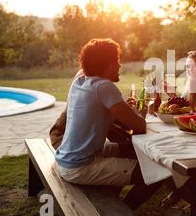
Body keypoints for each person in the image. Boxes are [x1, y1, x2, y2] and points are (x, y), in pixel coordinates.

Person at [54, 38, 146, 187]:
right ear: (107, 65)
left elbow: (101, 109)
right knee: (151, 172)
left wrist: (124, 108)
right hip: (80, 167)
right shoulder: (104, 86)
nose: (119, 65)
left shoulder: (80, 81)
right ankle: (122, 210)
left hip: (67, 158)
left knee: (132, 149)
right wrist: (140, 112)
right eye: (116, 60)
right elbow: (139, 125)